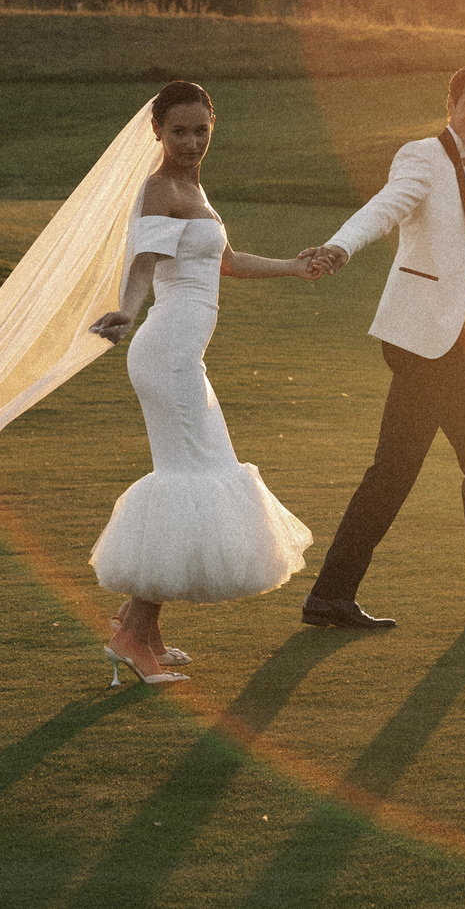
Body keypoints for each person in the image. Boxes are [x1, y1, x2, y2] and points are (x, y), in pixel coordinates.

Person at [294, 61, 465, 626]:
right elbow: (386, 207)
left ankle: (330, 596)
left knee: (394, 469)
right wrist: (340, 247)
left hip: (440, 336)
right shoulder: (422, 156)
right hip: (427, 342)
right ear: (450, 105)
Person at [88, 80, 315, 685]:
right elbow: (143, 262)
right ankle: (131, 636)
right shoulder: (162, 187)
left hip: (184, 355)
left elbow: (227, 261)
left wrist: (296, 266)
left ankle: (146, 632)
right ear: (158, 133)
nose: (191, 142)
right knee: (193, 480)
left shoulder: (193, 187)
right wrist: (129, 313)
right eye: (179, 131)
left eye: (201, 130)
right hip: (166, 351)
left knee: (197, 476)